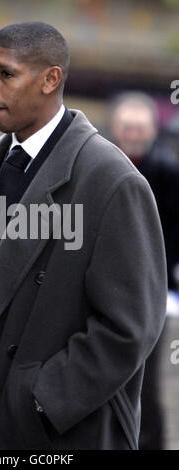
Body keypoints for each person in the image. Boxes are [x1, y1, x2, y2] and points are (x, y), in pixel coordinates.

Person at [0, 22, 167, 450]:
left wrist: (41, 400)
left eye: (6, 74)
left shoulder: (113, 181)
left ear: (50, 79)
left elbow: (131, 327)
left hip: (58, 436)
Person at [109, 92, 179, 449]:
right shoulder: (98, 168)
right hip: (102, 287)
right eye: (127, 127)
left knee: (146, 384)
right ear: (116, 128)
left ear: (152, 130)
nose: (133, 134)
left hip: (152, 291)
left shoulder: (169, 175)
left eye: (140, 128)